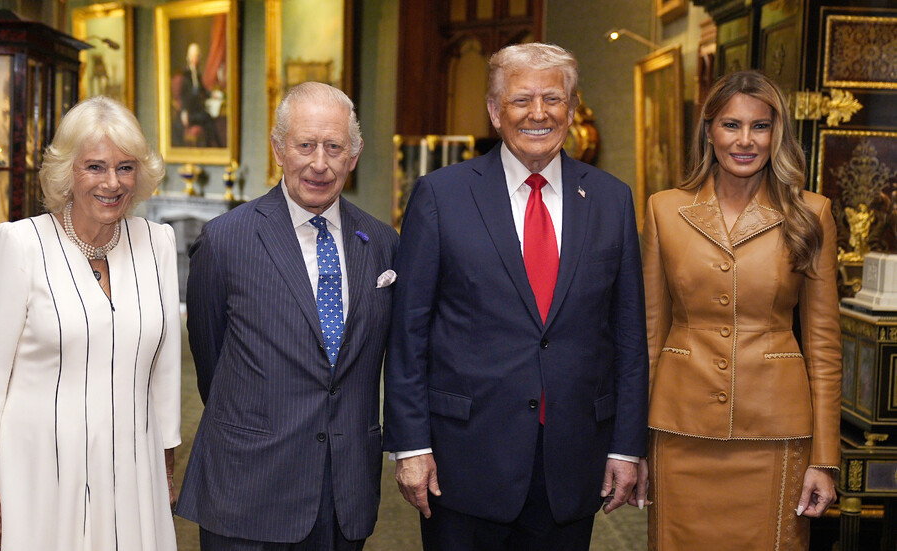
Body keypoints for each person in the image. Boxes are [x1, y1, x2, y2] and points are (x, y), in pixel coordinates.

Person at [383, 42, 649, 550]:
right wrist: (411, 445)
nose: (538, 113)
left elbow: (629, 336)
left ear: (572, 109)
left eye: (553, 98)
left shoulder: (612, 199)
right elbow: (408, 331)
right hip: (463, 459)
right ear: (494, 110)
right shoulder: (440, 195)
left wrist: (626, 447)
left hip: (574, 459)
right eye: (521, 99)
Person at [176, 81, 399, 550]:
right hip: (247, 488)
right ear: (279, 149)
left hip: (344, 490)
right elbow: (211, 361)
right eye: (305, 145)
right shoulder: (226, 241)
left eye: (334, 147)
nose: (319, 163)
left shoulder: (382, 243)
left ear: (353, 156)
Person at [0, 96, 181, 550]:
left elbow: (165, 371)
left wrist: (165, 468)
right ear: (67, 172)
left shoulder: (157, 242)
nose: (112, 182)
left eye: (125, 167)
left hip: (133, 470)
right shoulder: (20, 244)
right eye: (95, 167)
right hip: (40, 472)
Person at [642, 70, 841, 549]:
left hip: (775, 433)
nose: (745, 140)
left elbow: (824, 346)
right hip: (679, 428)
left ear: (777, 134)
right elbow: (648, 335)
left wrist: (824, 458)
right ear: (709, 130)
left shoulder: (811, 213)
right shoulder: (664, 210)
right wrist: (632, 447)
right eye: (731, 125)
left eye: (760, 126)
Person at [178, 42, 222, 147]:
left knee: (209, 120)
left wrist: (212, 94)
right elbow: (183, 95)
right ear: (189, 58)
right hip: (190, 113)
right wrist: (184, 112)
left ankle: (211, 146)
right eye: (193, 56)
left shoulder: (197, 74)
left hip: (197, 110)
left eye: (197, 56)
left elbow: (202, 91)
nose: (195, 59)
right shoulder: (185, 75)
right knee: (208, 119)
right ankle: (216, 145)